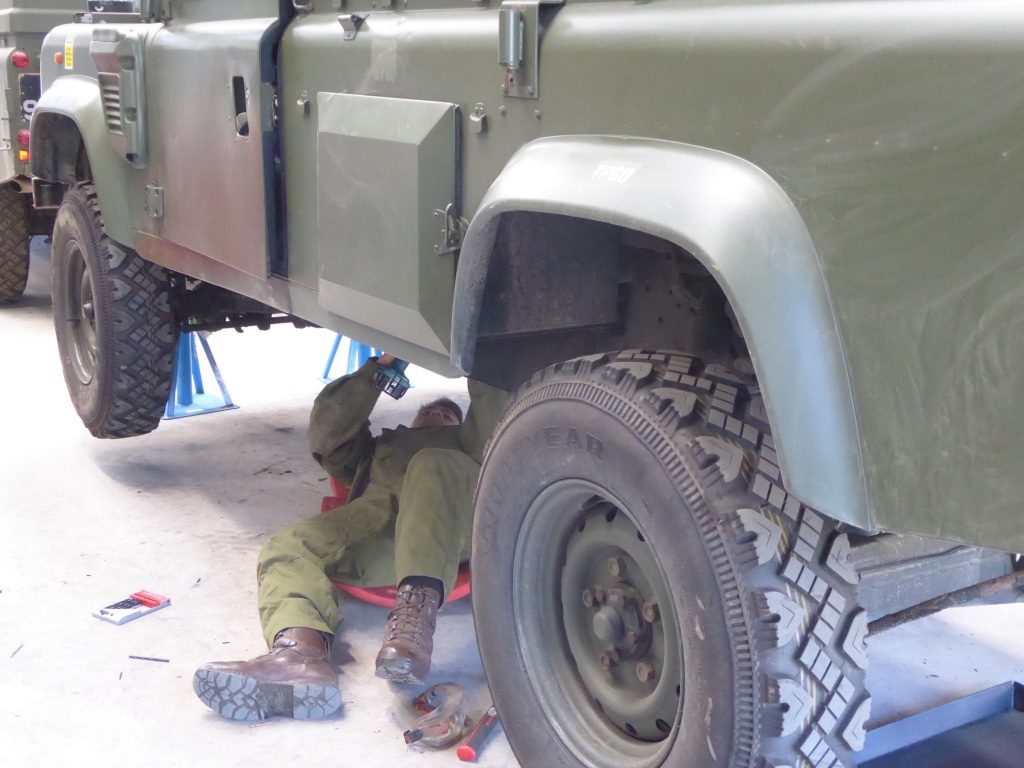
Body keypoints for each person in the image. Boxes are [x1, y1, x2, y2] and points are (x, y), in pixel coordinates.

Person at [191, 354, 509, 722]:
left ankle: (412, 627)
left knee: (432, 461)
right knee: (287, 546)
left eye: (447, 414)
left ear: (460, 423)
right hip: (375, 531)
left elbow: (495, 414)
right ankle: (299, 657)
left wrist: (482, 354)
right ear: (411, 420)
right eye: (429, 412)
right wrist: (379, 371)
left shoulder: (468, 447)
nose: (437, 414)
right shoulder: (381, 449)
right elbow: (328, 436)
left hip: (452, 529)